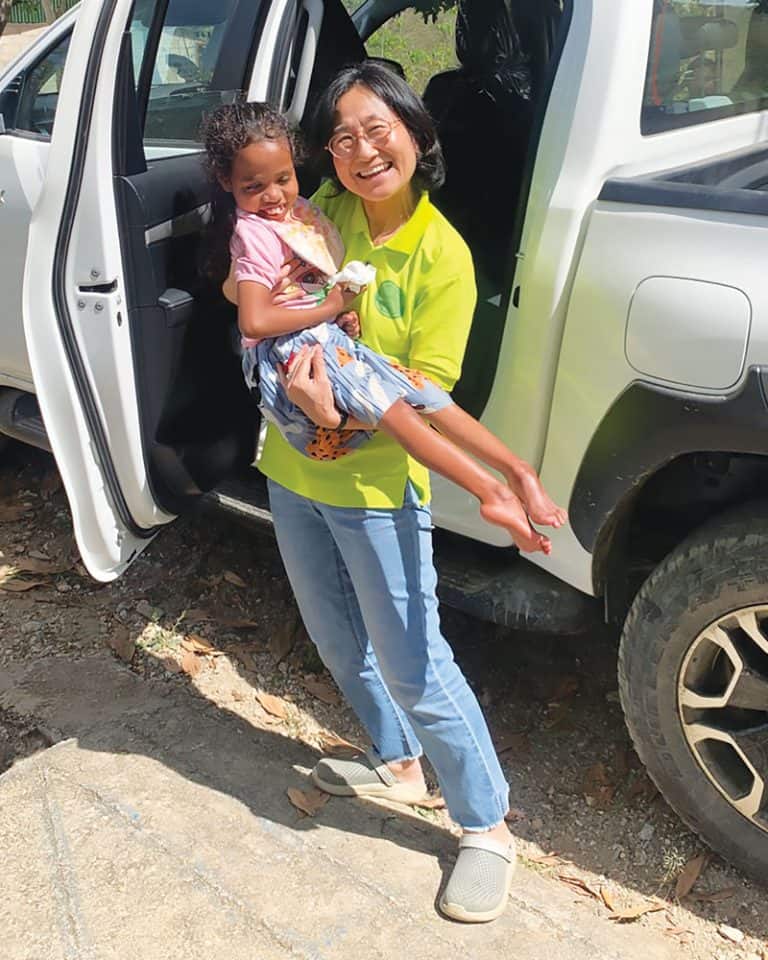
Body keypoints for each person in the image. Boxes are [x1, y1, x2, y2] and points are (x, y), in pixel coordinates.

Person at [211, 64, 544, 923]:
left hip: (375, 488)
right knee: (333, 636)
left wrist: (333, 418)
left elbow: (422, 398)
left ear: (416, 135)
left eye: (378, 128)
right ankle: (396, 763)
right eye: (343, 136)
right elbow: (252, 279)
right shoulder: (325, 208)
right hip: (291, 474)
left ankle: (484, 825)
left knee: (415, 661)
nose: (361, 151)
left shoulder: (444, 258)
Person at [202, 100, 566, 553]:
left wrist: (332, 312)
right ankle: (490, 491)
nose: (274, 196)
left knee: (422, 391)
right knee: (396, 405)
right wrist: (330, 306)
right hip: (288, 354)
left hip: (321, 348)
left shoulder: (310, 215)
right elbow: (254, 317)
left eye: (283, 179)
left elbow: (300, 280)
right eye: (254, 186)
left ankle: (516, 470)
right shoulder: (266, 226)